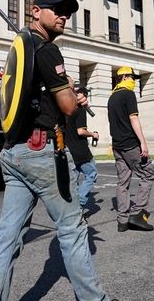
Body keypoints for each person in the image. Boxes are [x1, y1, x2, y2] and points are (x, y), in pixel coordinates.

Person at [0, 0, 111, 301]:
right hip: (42, 151)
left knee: (7, 239)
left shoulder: (23, 44)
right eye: (56, 10)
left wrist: (63, 92)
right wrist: (71, 91)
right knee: (73, 230)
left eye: (66, 11)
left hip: (13, 151)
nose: (63, 15)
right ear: (36, 11)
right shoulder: (47, 50)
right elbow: (67, 107)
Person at [107, 66, 154, 232]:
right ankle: (136, 214)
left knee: (123, 181)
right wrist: (143, 142)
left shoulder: (111, 97)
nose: (133, 81)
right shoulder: (128, 94)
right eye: (132, 77)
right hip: (130, 144)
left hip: (117, 145)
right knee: (147, 174)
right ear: (124, 76)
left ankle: (122, 221)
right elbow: (133, 118)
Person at [65, 85, 100, 214]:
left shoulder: (65, 108)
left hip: (68, 149)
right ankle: (80, 203)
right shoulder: (80, 110)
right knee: (91, 174)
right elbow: (81, 131)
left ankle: (71, 206)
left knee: (73, 180)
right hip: (80, 150)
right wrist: (93, 135)